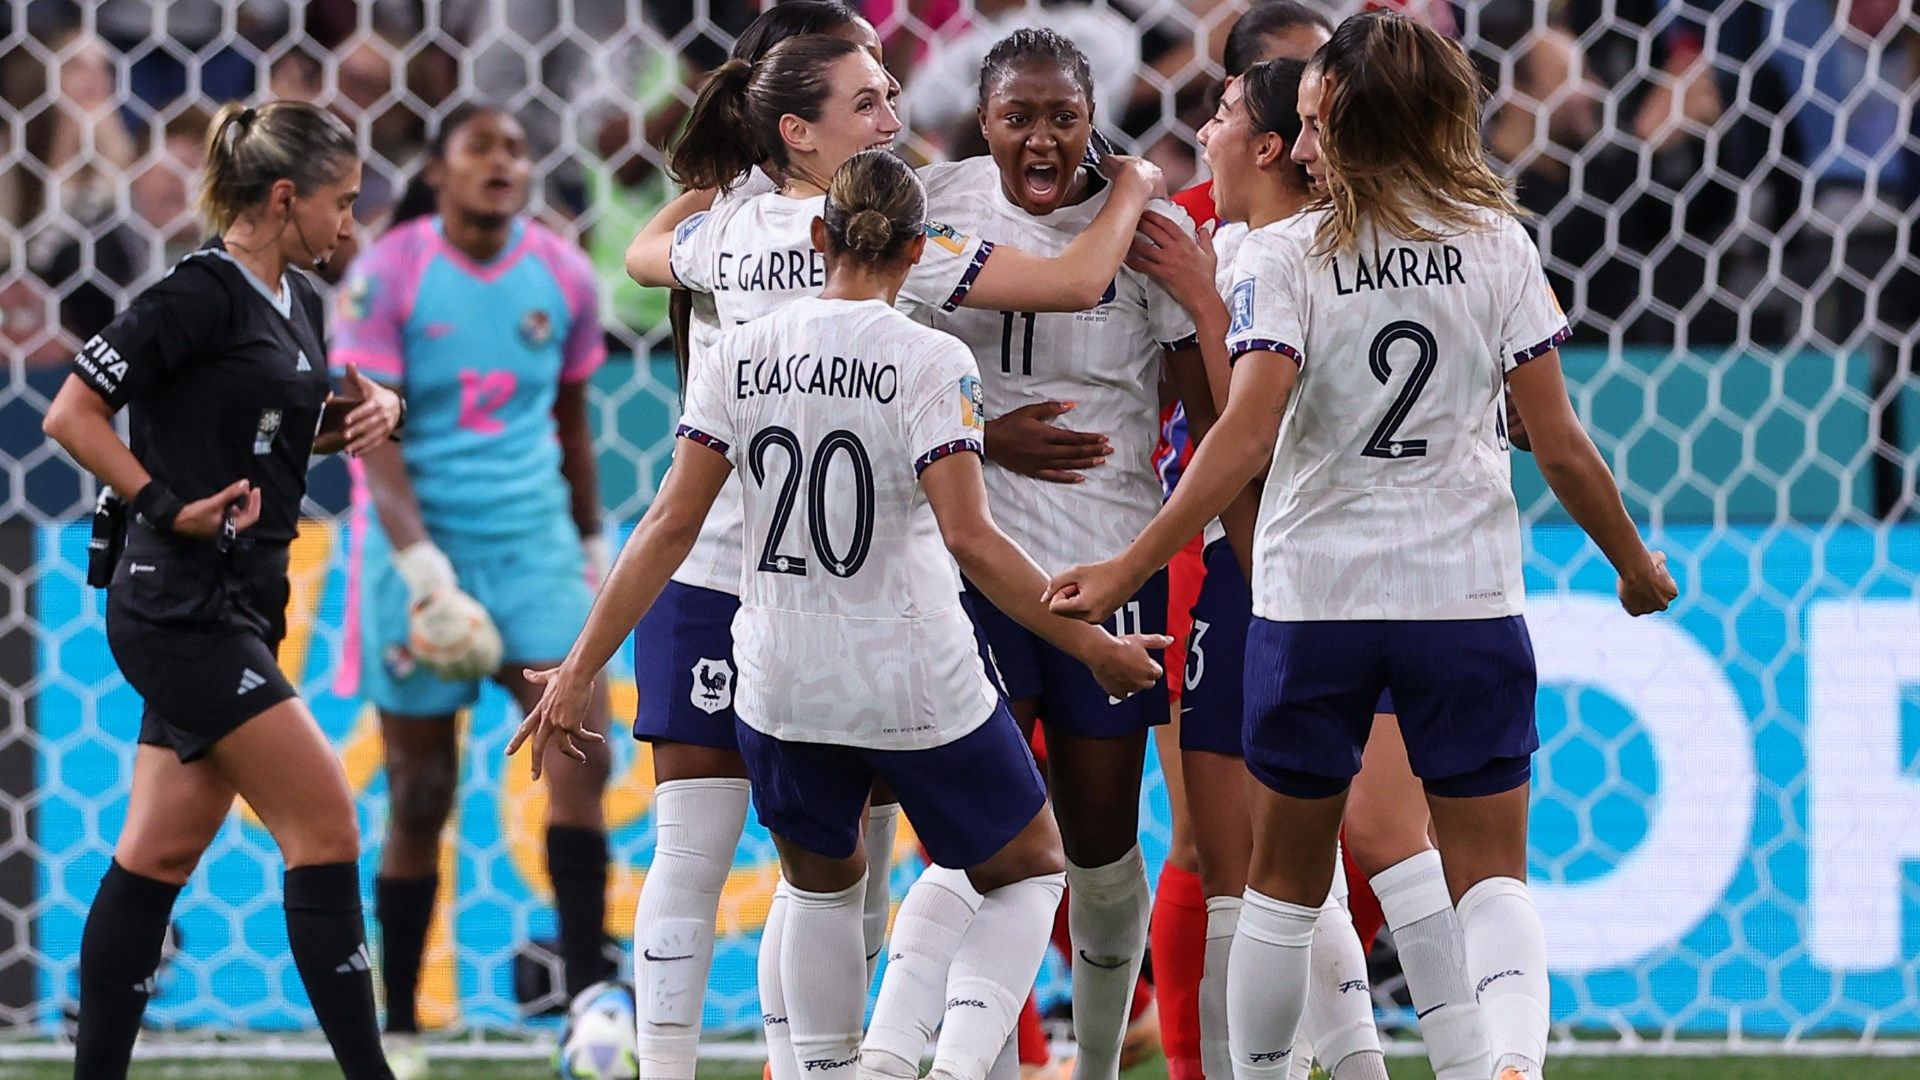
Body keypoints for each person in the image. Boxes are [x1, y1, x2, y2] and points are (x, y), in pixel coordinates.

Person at [1042, 13, 1679, 1080]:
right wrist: (1631, 563)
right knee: (1492, 880)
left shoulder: (1286, 254)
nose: (1299, 139)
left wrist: (1130, 563)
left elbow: (1242, 435)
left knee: (1281, 889)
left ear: (1345, 118)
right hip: (1464, 600)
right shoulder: (1496, 243)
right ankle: (1507, 1060)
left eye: (1315, 113)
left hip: (1315, 605)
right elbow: (1559, 443)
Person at [513, 148, 1167, 1080]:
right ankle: (948, 1067)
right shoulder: (932, 357)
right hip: (910, 673)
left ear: (821, 239)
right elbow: (975, 543)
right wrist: (1091, 645)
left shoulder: (738, 353)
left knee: (818, 895)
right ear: (919, 250)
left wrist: (579, 669)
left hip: (778, 679)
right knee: (1030, 867)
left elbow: (667, 525)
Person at [40, 99, 404, 1080]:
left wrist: (363, 419)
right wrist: (163, 505)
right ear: (284, 197)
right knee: (325, 824)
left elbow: (272, 434)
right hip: (178, 605)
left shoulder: (299, 299)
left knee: (155, 856)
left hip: (244, 603)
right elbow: (73, 414)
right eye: (340, 201)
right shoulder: (198, 294)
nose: (349, 223)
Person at [863, 30, 1198, 1080]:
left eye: (1063, 116)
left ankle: (1096, 1061)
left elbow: (1207, 408)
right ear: (987, 117)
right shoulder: (938, 204)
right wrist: (982, 439)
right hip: (970, 570)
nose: (1042, 138)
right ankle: (974, 1062)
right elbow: (872, 365)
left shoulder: (1151, 231)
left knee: (1100, 852)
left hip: (1108, 571)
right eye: (1020, 117)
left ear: (1092, 116)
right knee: (986, 837)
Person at [328, 103, 613, 1070]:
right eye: (481, 148)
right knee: (419, 791)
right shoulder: (390, 273)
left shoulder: (564, 274)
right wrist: (420, 567)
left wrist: (588, 544)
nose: (505, 163)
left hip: (531, 544)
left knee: (580, 755)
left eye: (519, 149)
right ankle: (400, 1027)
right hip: (419, 547)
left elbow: (572, 421)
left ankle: (592, 1006)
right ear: (440, 171)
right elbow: (372, 440)